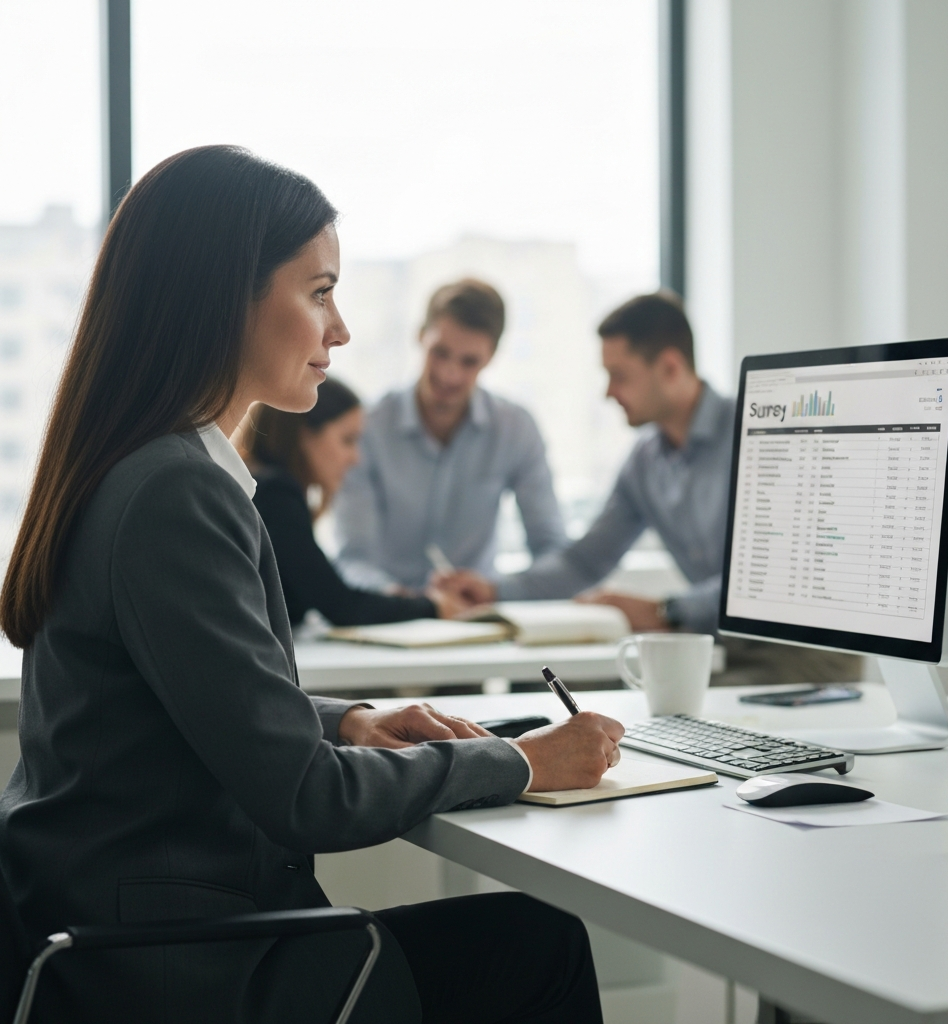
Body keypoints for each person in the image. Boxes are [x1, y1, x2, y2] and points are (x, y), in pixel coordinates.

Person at [0, 146, 622, 1023]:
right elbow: (304, 797)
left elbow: (203, 707)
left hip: (121, 937)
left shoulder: (136, 467)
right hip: (180, 970)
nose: (341, 331)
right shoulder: (176, 490)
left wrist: (352, 720)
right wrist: (518, 762)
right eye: (320, 292)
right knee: (542, 942)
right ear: (227, 299)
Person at [435, 292, 860, 686]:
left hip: (797, 659)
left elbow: (771, 577)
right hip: (715, 648)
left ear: (670, 368)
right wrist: (495, 592)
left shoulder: (760, 435)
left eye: (619, 376)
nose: (608, 392)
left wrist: (666, 611)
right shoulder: (645, 460)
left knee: (648, 716)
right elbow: (585, 562)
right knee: (552, 689)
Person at [334, 278, 566, 591]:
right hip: (388, 615)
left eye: (469, 361)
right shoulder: (367, 428)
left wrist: (496, 592)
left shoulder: (516, 430)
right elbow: (353, 557)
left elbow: (550, 549)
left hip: (476, 616)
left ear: (491, 357)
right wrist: (396, 599)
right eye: (440, 353)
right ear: (420, 336)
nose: (449, 374)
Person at [239, 377, 465, 627]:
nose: (355, 458)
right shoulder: (276, 495)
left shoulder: (263, 485)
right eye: (348, 440)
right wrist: (433, 606)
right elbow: (341, 606)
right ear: (306, 436)